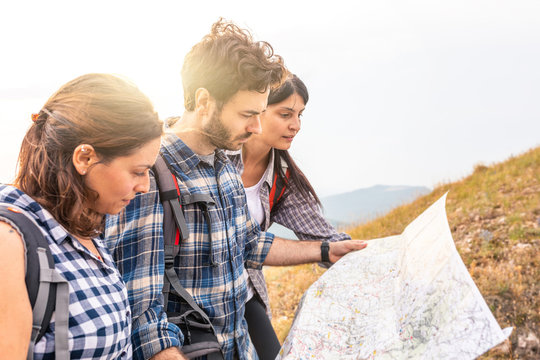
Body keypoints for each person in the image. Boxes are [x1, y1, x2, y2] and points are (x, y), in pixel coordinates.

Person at [105, 19, 367, 360]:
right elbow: (141, 313)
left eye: (260, 114)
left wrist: (324, 251)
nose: (256, 127)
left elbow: (248, 245)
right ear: (204, 101)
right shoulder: (149, 175)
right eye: (247, 114)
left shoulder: (226, 165)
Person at [0, 73, 163, 359]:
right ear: (85, 158)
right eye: (138, 171)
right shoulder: (9, 242)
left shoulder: (85, 225)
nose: (145, 186)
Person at [228, 74, 352, 358]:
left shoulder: (282, 178)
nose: (295, 125)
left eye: (299, 115)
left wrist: (368, 255)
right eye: (285, 114)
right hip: (196, 295)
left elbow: (324, 236)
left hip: (245, 292)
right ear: (257, 109)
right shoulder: (218, 161)